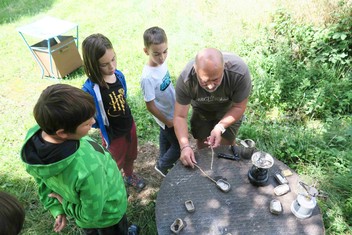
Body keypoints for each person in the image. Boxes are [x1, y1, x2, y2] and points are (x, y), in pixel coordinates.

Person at [21, 84, 129, 234]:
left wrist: (57, 209)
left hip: (88, 213)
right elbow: (90, 215)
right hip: (108, 215)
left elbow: (43, 179)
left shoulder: (35, 140)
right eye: (86, 123)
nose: (93, 121)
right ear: (63, 133)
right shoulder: (87, 169)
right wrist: (65, 205)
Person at [82, 33, 145, 191]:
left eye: (113, 59)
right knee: (114, 162)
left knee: (131, 155)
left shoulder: (118, 76)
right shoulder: (91, 89)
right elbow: (89, 114)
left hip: (129, 126)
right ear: (92, 65)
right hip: (113, 135)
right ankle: (114, 185)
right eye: (104, 64)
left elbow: (123, 97)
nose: (112, 66)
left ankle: (129, 175)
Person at [174, 48, 252, 168]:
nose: (210, 86)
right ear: (195, 70)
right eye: (204, 81)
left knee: (226, 145)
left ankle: (228, 170)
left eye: (216, 79)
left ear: (224, 67)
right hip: (201, 110)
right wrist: (185, 146)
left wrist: (220, 127)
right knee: (203, 144)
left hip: (229, 109)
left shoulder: (239, 73)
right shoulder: (186, 80)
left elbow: (239, 106)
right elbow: (179, 116)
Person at [140, 26, 180, 177]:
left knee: (165, 136)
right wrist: (168, 121)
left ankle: (163, 158)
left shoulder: (161, 63)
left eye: (165, 51)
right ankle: (163, 166)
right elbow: (150, 105)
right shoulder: (147, 78)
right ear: (146, 51)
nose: (162, 57)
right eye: (156, 54)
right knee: (178, 146)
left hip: (171, 111)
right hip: (166, 116)